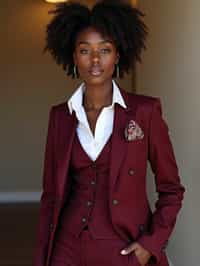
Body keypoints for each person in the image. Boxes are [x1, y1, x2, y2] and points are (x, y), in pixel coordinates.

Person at [33, 1, 185, 266]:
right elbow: (50, 196)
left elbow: (171, 190)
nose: (94, 60)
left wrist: (150, 244)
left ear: (117, 56)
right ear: (73, 56)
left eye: (104, 50)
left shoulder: (145, 112)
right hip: (66, 248)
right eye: (84, 50)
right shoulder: (60, 117)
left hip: (123, 249)